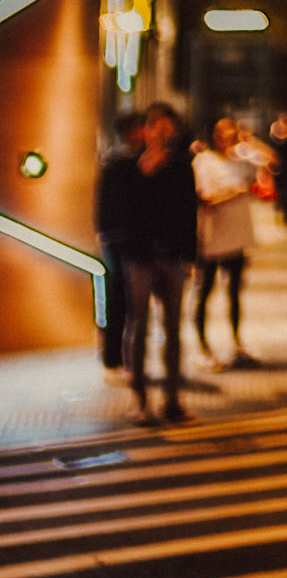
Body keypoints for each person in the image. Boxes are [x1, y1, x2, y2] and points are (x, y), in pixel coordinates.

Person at [122, 102, 198, 424]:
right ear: (143, 129)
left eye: (165, 126)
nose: (159, 131)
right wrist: (143, 175)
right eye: (153, 124)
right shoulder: (125, 166)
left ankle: (172, 398)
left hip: (172, 257)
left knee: (173, 329)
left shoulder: (181, 166)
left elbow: (187, 213)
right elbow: (116, 213)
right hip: (139, 257)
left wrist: (190, 256)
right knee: (139, 327)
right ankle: (140, 398)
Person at [192, 116, 259, 367]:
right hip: (211, 238)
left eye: (231, 131)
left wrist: (249, 140)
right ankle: (203, 346)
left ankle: (236, 343)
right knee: (205, 292)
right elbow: (205, 198)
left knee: (234, 293)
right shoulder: (203, 162)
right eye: (221, 131)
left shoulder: (241, 160)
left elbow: (273, 161)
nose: (226, 135)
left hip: (238, 237)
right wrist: (235, 192)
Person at [93, 110, 145, 381]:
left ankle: (119, 357)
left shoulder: (116, 160)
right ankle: (117, 358)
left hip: (117, 237)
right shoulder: (123, 161)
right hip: (122, 239)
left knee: (123, 300)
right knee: (122, 301)